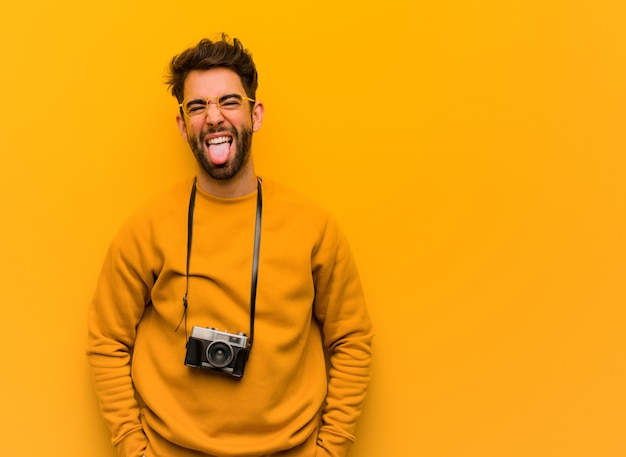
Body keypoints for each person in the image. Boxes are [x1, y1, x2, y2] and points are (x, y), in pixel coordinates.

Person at [86, 34, 374, 457]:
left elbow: (352, 339)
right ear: (183, 124)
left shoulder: (313, 226)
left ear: (255, 114)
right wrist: (133, 446)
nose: (214, 117)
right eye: (197, 106)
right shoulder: (147, 227)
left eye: (229, 101)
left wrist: (331, 449)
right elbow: (105, 340)